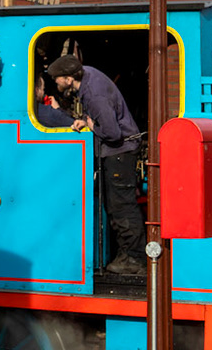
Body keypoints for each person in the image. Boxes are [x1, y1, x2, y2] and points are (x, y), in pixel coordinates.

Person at [42, 53, 145, 277]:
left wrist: (90, 124)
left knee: (121, 206)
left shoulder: (93, 94)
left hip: (119, 152)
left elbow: (111, 133)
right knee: (119, 204)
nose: (56, 83)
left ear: (69, 79)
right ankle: (129, 255)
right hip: (120, 152)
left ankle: (135, 260)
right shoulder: (88, 74)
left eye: (57, 79)